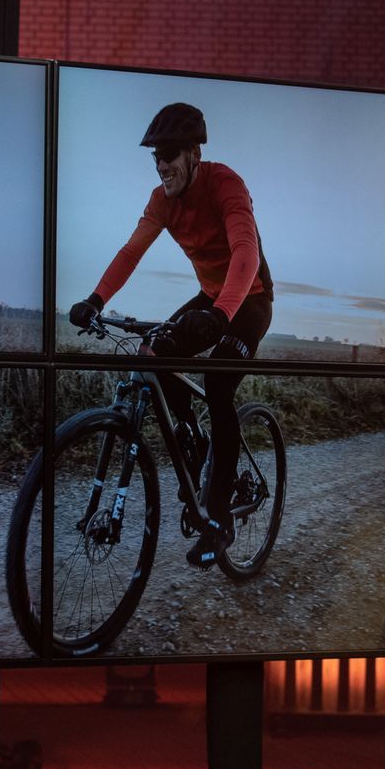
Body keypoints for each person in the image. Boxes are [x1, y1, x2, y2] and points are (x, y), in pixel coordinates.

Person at [69, 102, 274, 569]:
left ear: (194, 154)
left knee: (217, 383)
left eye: (170, 155)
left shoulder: (226, 184)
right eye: (155, 156)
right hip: (212, 297)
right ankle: (196, 445)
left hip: (250, 299)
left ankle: (218, 521)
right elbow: (131, 252)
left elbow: (245, 249)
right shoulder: (161, 200)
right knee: (153, 352)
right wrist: (96, 300)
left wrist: (221, 315)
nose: (161, 164)